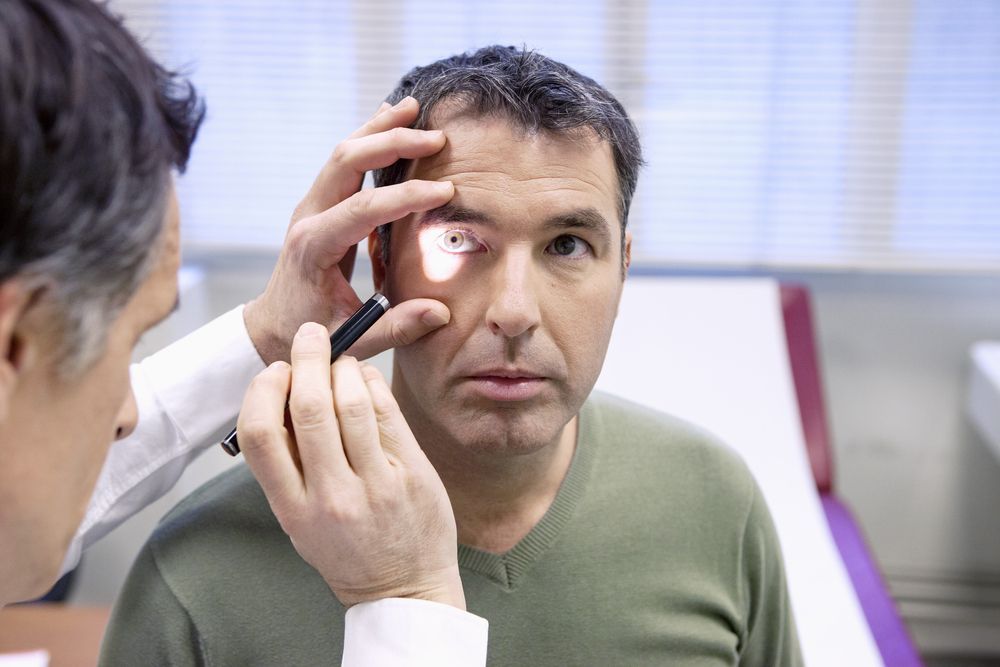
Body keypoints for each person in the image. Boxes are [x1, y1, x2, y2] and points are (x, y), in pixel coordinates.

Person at [100, 45, 804, 665]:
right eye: (459, 242)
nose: (515, 312)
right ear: (377, 259)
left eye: (567, 245)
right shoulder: (198, 568)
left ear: (623, 268)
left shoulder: (716, 500)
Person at [0, 1, 487, 664]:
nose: (126, 415)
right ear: (11, 346)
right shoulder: (193, 579)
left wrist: (266, 332)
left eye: (567, 244)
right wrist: (410, 605)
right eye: (127, 343)